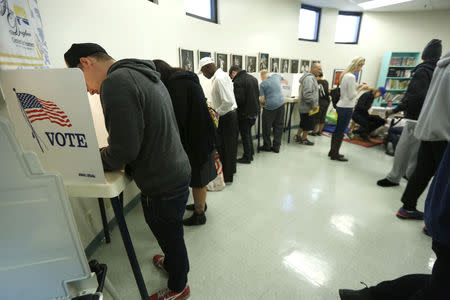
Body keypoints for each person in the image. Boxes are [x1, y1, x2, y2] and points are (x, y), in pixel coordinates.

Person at [64, 43, 191, 300]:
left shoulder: (116, 82)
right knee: (171, 231)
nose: (88, 91)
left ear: (86, 62)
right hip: (175, 168)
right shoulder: (142, 73)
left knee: (170, 235)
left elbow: (123, 150)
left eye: (81, 80)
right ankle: (173, 265)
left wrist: (94, 157)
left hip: (161, 180)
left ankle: (179, 286)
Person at [338, 51, 450, 300]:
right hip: (424, 130)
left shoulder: (437, 70)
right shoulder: (427, 72)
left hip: (426, 131)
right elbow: (351, 98)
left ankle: (371, 295)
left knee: (435, 283)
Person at [154, 60, 217, 226]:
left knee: (198, 178)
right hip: (203, 134)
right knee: (200, 175)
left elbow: (180, 118)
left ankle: (199, 214)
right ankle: (201, 204)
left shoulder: (176, 86)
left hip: (196, 138)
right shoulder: (185, 79)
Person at [377, 39, 442, 187]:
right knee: (416, 151)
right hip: (429, 118)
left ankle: (394, 177)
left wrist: (394, 109)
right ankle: (411, 176)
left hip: (414, 118)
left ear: (425, 54)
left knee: (403, 149)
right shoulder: (438, 71)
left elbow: (414, 96)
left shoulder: (422, 70)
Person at [394, 49, 449, 220]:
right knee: (443, 180)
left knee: (423, 171)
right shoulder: (430, 69)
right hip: (445, 133)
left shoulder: (441, 67)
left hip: (429, 127)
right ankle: (436, 222)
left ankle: (407, 207)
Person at [199, 57, 238, 184]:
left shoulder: (219, 79)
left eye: (204, 72)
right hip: (229, 114)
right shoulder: (221, 76)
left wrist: (216, 114)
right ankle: (230, 172)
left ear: (208, 68)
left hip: (226, 115)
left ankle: (227, 177)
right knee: (229, 146)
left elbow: (228, 101)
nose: (204, 75)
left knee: (225, 148)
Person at [329, 57, 368, 162]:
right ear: (358, 65)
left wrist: (358, 86)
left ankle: (332, 151)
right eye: (361, 66)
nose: (361, 68)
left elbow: (347, 91)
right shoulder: (351, 77)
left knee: (338, 129)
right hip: (346, 107)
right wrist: (361, 88)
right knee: (341, 131)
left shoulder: (345, 75)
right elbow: (351, 95)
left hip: (342, 106)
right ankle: (335, 154)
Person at [229, 65, 260, 164]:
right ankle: (250, 154)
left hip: (245, 113)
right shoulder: (253, 78)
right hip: (254, 111)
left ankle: (247, 157)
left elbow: (240, 100)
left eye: (231, 76)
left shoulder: (238, 81)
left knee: (245, 135)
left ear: (234, 72)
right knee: (248, 134)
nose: (232, 79)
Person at [258, 70, 285, 153]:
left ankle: (267, 146)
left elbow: (262, 100)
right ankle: (276, 147)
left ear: (262, 77)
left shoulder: (263, 84)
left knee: (266, 127)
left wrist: (260, 100)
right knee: (279, 126)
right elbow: (283, 78)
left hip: (270, 107)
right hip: (281, 104)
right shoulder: (276, 76)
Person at [295, 62, 321, 145]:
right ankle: (304, 139)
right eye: (318, 69)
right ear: (312, 68)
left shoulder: (310, 78)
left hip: (305, 106)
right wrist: (313, 104)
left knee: (303, 123)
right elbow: (307, 94)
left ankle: (298, 136)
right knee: (307, 124)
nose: (320, 71)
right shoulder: (309, 79)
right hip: (308, 106)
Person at [311, 72, 330, 136]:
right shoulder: (326, 82)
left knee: (317, 118)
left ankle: (314, 132)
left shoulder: (317, 82)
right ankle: (319, 132)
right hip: (326, 102)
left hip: (320, 101)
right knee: (323, 117)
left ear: (318, 76)